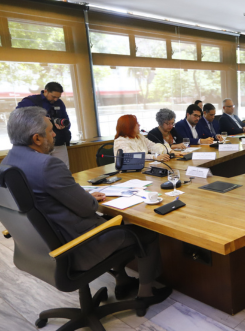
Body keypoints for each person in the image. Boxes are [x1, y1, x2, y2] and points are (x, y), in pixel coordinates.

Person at [2, 107, 171, 306]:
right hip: (78, 246)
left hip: (37, 249)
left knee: (112, 223)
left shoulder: (7, 164)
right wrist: (87, 198)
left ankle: (122, 279)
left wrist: (78, 194)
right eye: (50, 130)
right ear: (37, 139)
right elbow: (87, 209)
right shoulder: (47, 165)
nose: (55, 133)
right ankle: (146, 293)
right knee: (146, 232)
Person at [16, 82, 72, 168]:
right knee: (42, 170)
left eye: (58, 97)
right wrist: (40, 119)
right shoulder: (30, 101)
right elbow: (18, 117)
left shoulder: (59, 102)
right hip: (40, 144)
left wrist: (64, 125)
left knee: (63, 169)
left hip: (58, 142)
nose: (56, 99)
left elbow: (66, 120)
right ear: (46, 91)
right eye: (53, 97)